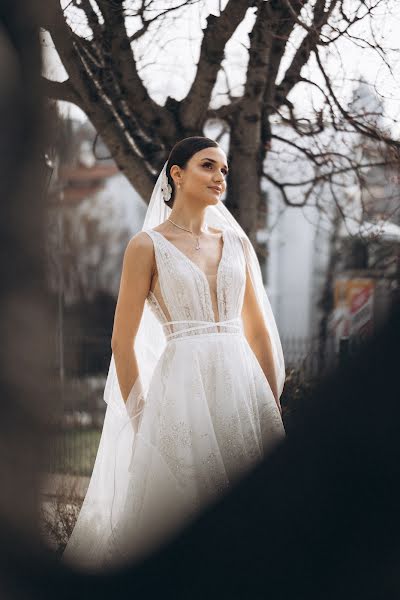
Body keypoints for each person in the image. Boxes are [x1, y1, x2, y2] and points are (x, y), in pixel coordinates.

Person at [61, 136, 286, 571]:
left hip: (244, 393)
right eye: (208, 166)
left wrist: (270, 399)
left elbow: (257, 332)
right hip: (179, 394)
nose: (220, 176)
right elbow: (121, 342)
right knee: (182, 517)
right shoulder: (146, 246)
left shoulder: (237, 244)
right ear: (176, 174)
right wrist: (141, 413)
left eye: (224, 170)